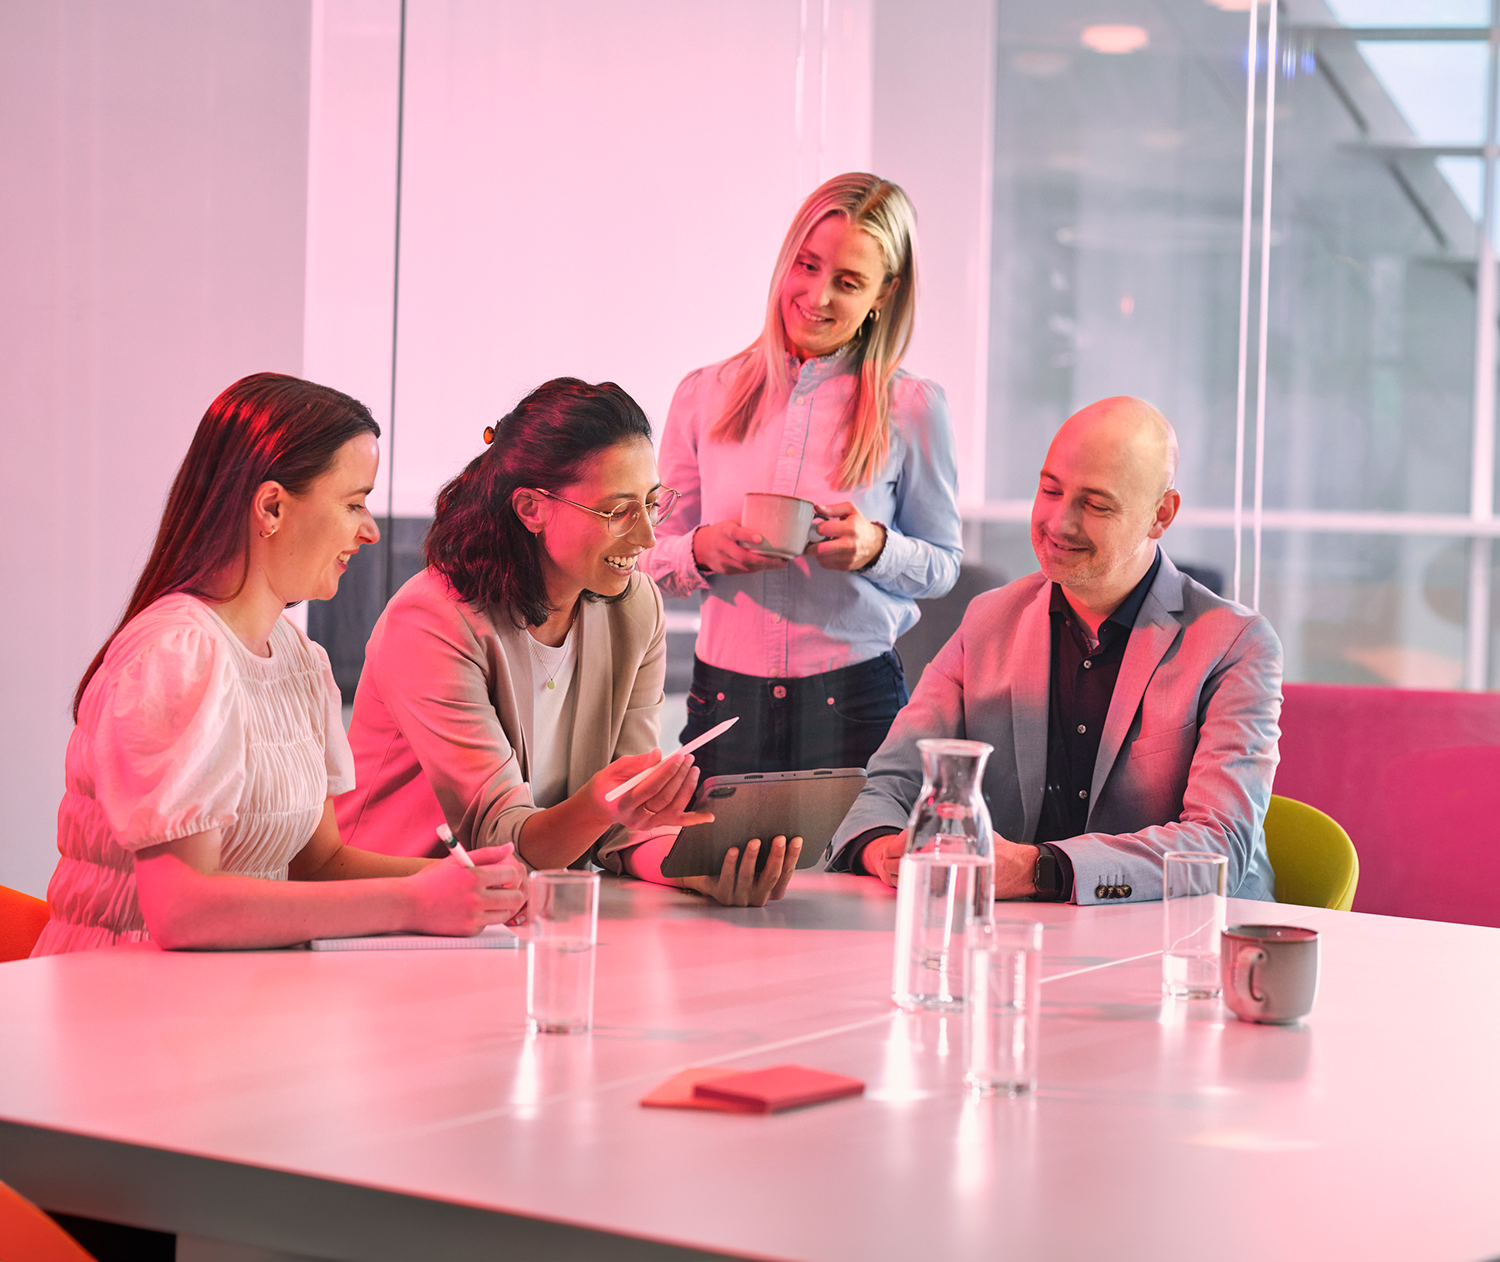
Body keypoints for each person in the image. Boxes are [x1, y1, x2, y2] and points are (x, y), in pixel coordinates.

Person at [34, 373, 526, 956]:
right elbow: (181, 910)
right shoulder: (176, 655)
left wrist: (461, 886)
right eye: (354, 503)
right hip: (118, 1006)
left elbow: (317, 863)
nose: (368, 530)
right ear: (271, 506)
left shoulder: (296, 660)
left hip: (226, 1001)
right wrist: (413, 901)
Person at [336, 378, 790, 906]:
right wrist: (601, 804)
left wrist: (694, 867)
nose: (646, 537)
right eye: (618, 511)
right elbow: (500, 837)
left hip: (515, 906)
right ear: (531, 508)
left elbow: (622, 829)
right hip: (394, 906)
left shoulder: (634, 606)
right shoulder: (432, 620)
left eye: (651, 503)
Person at [636, 172, 963, 886]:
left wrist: (876, 548)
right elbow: (639, 560)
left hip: (857, 702)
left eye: (848, 280)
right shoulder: (704, 394)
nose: (817, 296)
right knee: (709, 905)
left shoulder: (911, 408)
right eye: (807, 266)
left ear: (885, 292)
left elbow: (943, 564)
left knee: (858, 919)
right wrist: (700, 550)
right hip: (727, 701)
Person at [830, 396, 1281, 903]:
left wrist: (1041, 869)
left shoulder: (1236, 643)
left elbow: (1219, 844)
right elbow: (891, 782)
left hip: (1186, 945)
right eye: (1050, 490)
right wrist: (882, 847)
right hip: (1026, 940)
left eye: (1094, 504)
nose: (1059, 522)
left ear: (1160, 515)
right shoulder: (989, 619)